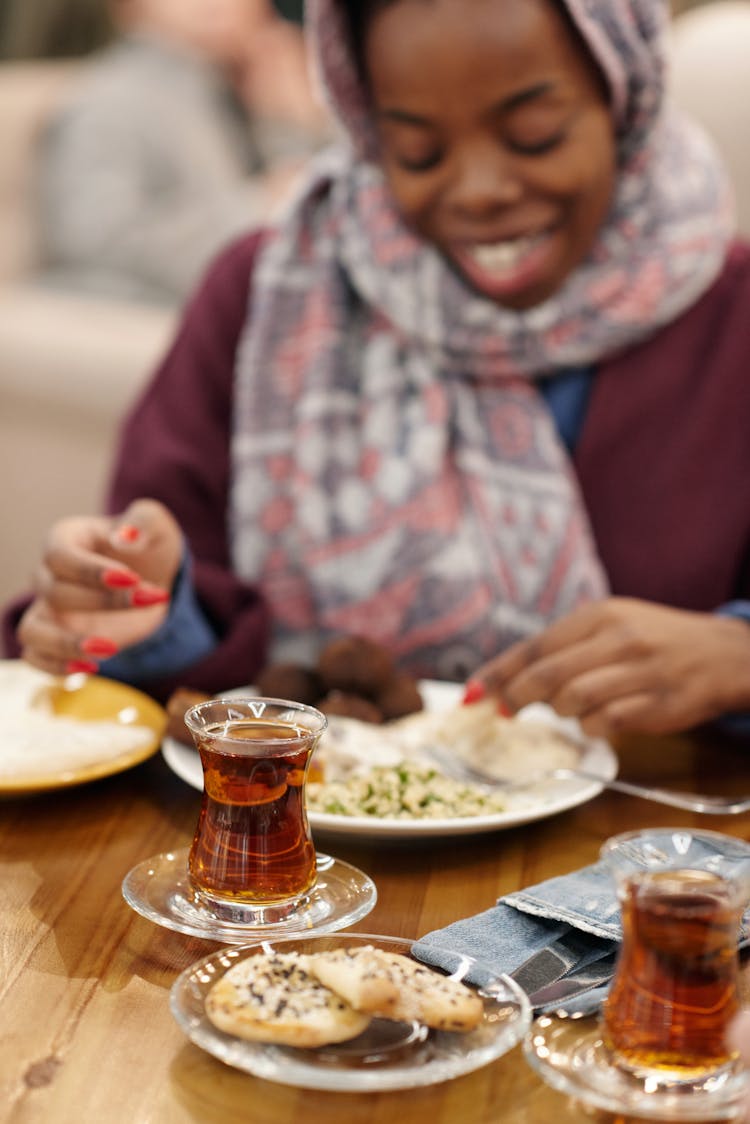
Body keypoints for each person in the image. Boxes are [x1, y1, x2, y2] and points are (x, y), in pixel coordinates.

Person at [6, 0, 750, 739]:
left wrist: (737, 656)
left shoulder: (735, 314)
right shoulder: (262, 294)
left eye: (536, 137)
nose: (479, 189)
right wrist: (138, 613)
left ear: (628, 101)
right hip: (292, 840)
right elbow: (168, 631)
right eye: (417, 153)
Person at [34, 0, 327, 302]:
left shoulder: (235, 83)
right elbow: (94, 241)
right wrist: (258, 209)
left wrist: (289, 122)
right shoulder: (110, 98)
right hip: (142, 317)